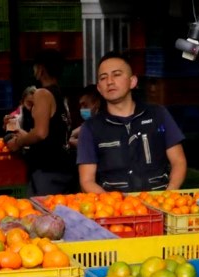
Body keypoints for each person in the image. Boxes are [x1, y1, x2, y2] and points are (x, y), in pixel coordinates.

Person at [76, 51, 187, 193]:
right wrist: (115, 207)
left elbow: (179, 162)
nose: (109, 81)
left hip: (160, 203)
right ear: (99, 88)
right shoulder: (91, 128)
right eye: (103, 78)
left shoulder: (158, 114)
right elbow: (86, 181)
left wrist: (168, 196)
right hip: (115, 209)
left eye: (116, 75)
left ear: (132, 81)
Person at [6, 51, 75, 194]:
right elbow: (51, 133)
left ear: (41, 69)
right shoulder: (60, 95)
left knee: (43, 212)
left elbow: (40, 133)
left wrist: (18, 143)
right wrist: (20, 133)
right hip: (63, 168)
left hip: (47, 170)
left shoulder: (42, 94)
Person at [69, 85, 100, 149]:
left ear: (97, 103)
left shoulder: (103, 124)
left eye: (85, 105)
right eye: (81, 106)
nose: (82, 109)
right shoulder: (90, 125)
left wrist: (72, 141)